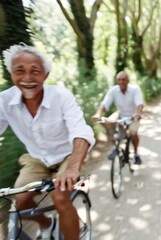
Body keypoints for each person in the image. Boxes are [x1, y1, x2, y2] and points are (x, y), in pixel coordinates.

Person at [0, 44, 95, 240]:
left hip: (68, 156)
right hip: (37, 159)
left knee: (60, 197)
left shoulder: (61, 96)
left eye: (35, 72)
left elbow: (81, 131)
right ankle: (47, 224)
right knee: (21, 201)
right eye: (20, 71)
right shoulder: (4, 101)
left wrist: (73, 168)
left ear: (45, 74)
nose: (27, 79)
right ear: (11, 75)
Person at [91, 71, 144, 165]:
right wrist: (98, 114)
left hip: (133, 116)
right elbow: (105, 103)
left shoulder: (135, 89)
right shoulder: (113, 90)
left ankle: (136, 154)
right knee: (108, 123)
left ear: (128, 81)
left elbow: (139, 103)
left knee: (133, 133)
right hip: (121, 115)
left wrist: (138, 114)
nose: (121, 82)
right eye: (119, 80)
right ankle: (114, 148)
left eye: (123, 80)